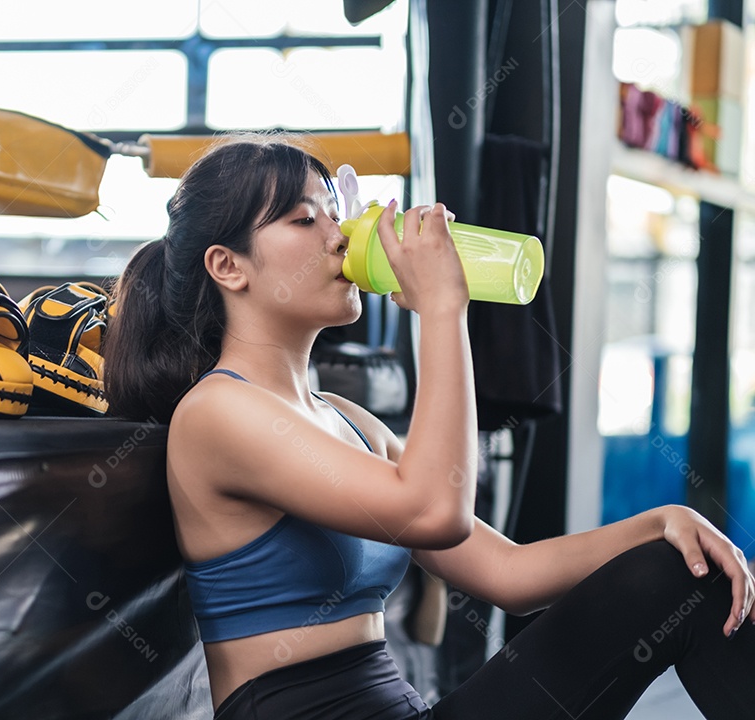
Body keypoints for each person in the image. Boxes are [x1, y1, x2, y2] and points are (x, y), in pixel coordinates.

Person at [102, 135, 755, 719]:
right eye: (305, 219)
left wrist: (659, 522)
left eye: (335, 212)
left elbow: (509, 573)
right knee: (677, 582)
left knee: (686, 572)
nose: (339, 237)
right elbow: (436, 512)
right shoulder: (217, 412)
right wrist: (442, 309)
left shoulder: (348, 421)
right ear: (228, 266)